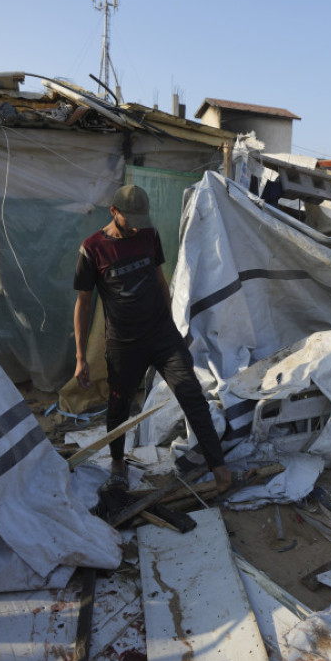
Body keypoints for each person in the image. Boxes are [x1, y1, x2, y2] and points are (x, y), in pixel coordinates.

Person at [73, 185, 233, 492]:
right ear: (113, 212)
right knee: (119, 408)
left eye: (139, 219)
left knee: (191, 396)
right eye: (128, 219)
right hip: (123, 344)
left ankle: (219, 467)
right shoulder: (92, 249)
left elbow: (160, 281)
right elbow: (83, 303)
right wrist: (81, 358)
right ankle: (118, 464)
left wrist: (172, 331)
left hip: (162, 336)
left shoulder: (149, 235)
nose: (135, 225)